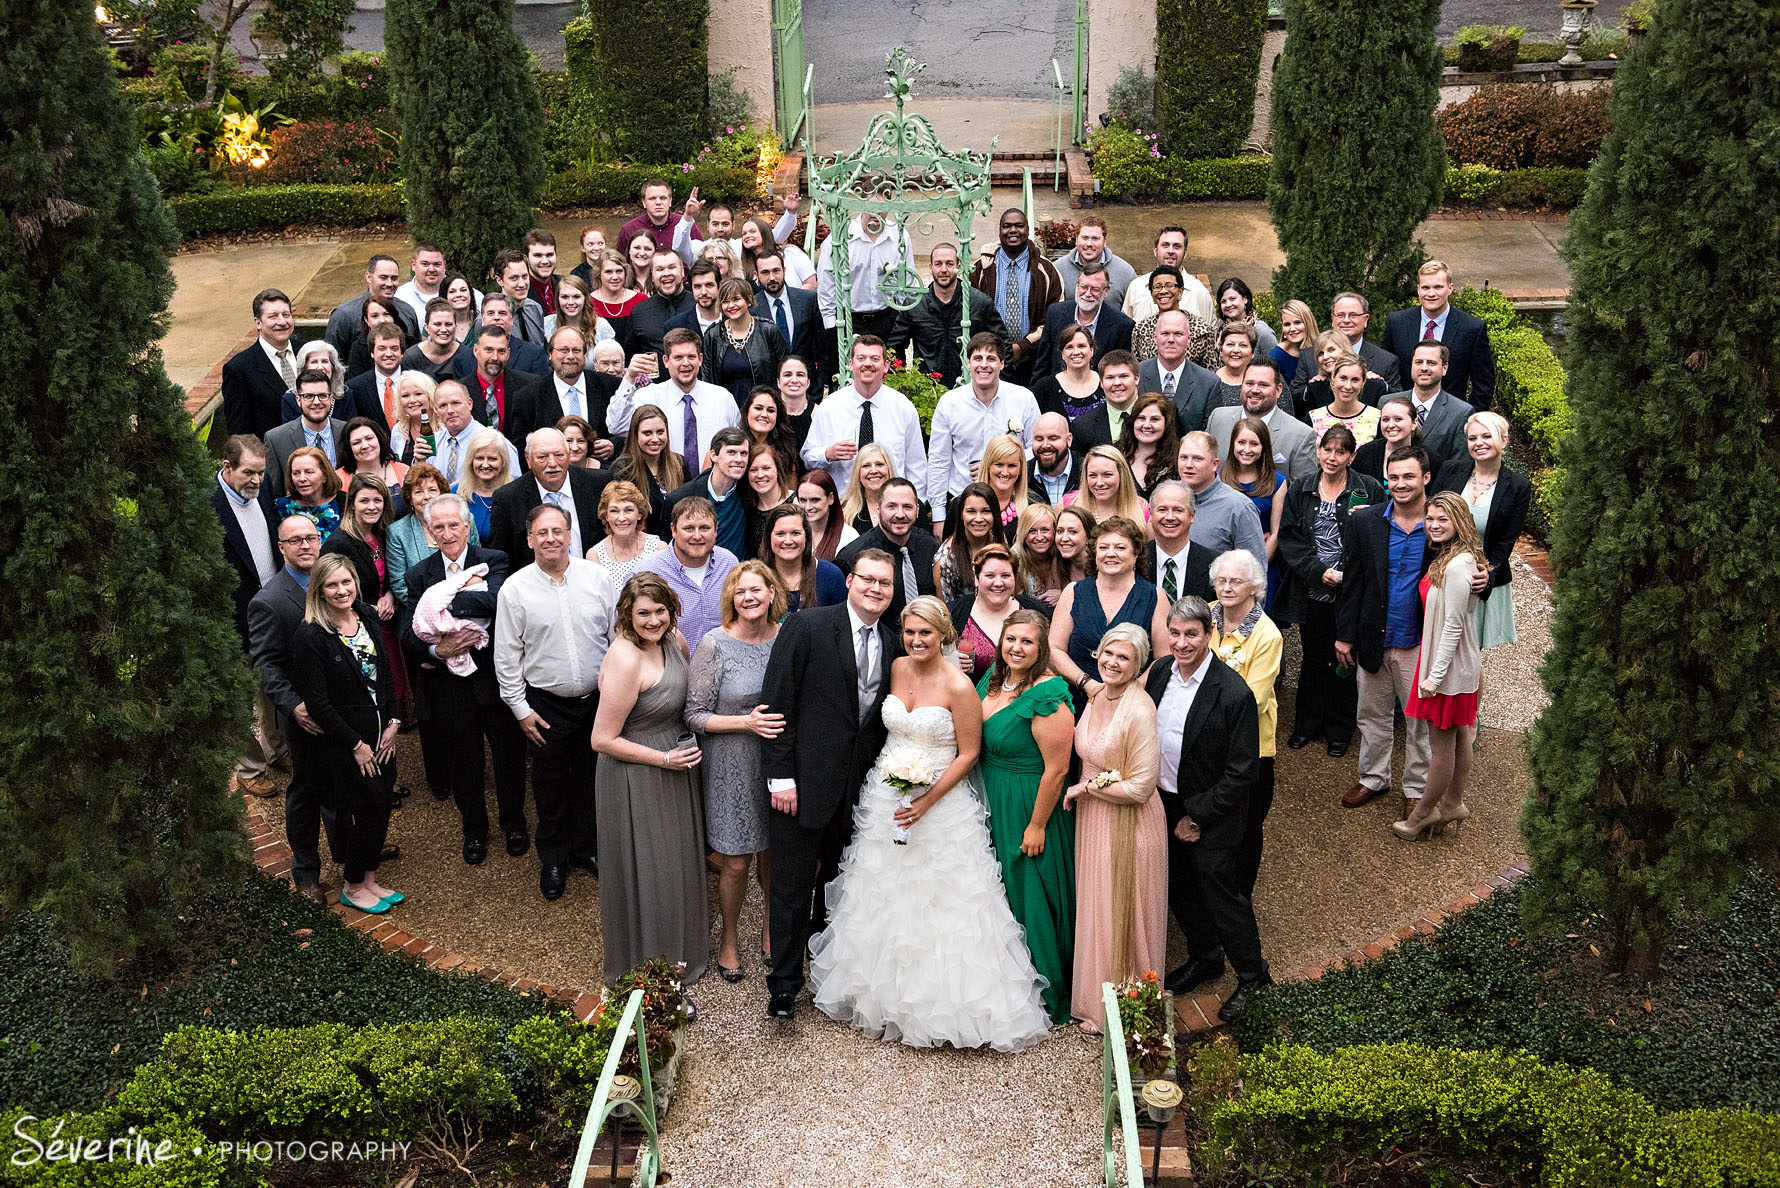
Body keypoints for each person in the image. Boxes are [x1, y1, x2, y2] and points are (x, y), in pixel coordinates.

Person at [807, 595, 1051, 1050]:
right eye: (910, 632)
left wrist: (927, 800)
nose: (916, 640)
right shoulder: (897, 668)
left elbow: (969, 753)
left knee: (942, 896)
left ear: (944, 635)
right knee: (881, 887)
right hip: (886, 794)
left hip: (941, 802)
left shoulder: (959, 686)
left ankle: (944, 1004)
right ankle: (879, 992)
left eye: (926, 633)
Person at [760, 550, 901, 1019]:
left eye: (885, 583)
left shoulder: (894, 642)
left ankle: (825, 973)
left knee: (840, 884)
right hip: (800, 784)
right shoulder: (808, 627)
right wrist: (780, 777)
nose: (876, 589)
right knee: (791, 887)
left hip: (859, 790)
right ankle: (783, 985)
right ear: (850, 580)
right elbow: (776, 706)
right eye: (868, 579)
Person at [1146, 596, 1268, 1020]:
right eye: (1174, 633)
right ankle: (1205, 957)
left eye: (1191, 634)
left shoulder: (1234, 693)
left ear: (1209, 634)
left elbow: (1242, 771)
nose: (1181, 643)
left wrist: (1197, 817)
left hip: (1210, 811)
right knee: (1180, 888)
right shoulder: (1160, 672)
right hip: (1163, 801)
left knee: (1222, 898)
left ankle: (1254, 978)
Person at [591, 572, 710, 988]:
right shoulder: (624, 658)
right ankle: (651, 974)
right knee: (650, 871)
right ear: (627, 613)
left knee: (675, 866)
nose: (654, 620)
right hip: (635, 775)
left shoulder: (674, 642)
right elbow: (601, 739)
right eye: (644, 612)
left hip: (675, 768)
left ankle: (679, 957)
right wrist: (664, 758)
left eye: (660, 610)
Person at [398, 494, 527, 872]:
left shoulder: (494, 559)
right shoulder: (418, 574)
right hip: (449, 685)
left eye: (454, 525)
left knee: (508, 757)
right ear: (428, 533)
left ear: (467, 527)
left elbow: (498, 603)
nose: (447, 532)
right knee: (463, 761)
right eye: (439, 527)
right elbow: (409, 632)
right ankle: (474, 829)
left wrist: (441, 605)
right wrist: (437, 651)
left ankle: (514, 824)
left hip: (494, 678)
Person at [495, 502, 617, 894]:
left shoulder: (597, 578)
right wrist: (520, 710)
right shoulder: (515, 589)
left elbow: (617, 637)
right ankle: (553, 858)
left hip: (597, 701)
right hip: (545, 705)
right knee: (549, 786)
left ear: (569, 535)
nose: (551, 538)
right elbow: (507, 656)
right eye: (541, 533)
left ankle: (586, 848)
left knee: (590, 781)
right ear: (530, 540)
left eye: (557, 531)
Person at [687, 561, 786, 980]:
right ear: (731, 598)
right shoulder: (714, 644)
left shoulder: (786, 637)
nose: (749, 597)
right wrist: (745, 722)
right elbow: (693, 714)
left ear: (770, 593)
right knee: (736, 860)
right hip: (730, 762)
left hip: (778, 759)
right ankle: (729, 938)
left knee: (774, 852)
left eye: (756, 590)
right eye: (740, 591)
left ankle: (768, 927)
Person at [977, 609, 1076, 1025]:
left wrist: (1036, 825)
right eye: (1010, 639)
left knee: (1028, 890)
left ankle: (1043, 988)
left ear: (1041, 648)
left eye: (1026, 642)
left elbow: (1057, 769)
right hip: (990, 794)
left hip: (1027, 802)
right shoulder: (993, 679)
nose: (1016, 648)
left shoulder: (1047, 695)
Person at [1064, 623, 1164, 1032]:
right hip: (1096, 817)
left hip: (1129, 821)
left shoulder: (1140, 709)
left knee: (1122, 908)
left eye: (1124, 658)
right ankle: (1096, 996)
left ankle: (1125, 1006)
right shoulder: (1096, 694)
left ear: (1139, 664)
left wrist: (1085, 788)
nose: (1113, 662)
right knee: (1098, 904)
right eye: (1108, 653)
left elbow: (1141, 786)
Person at [288, 555, 402, 914]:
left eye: (347, 582)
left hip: (383, 734)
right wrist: (356, 746)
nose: (342, 590)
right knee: (366, 810)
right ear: (319, 591)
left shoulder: (367, 615)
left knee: (383, 804)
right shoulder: (310, 636)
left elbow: (386, 673)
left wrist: (395, 722)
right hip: (347, 742)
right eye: (332, 585)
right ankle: (353, 886)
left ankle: (369, 878)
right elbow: (318, 703)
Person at [1336, 446, 1435, 810]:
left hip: (1418, 642)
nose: (1400, 484)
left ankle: (1416, 790)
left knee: (1419, 723)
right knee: (1372, 716)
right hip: (1373, 637)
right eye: (1393, 477)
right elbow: (1353, 584)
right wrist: (1345, 635)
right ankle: (1373, 778)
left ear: (1426, 478)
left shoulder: (1442, 525)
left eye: (1409, 476)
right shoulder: (1365, 522)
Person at [1276, 425, 1382, 757]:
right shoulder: (1302, 488)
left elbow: (1378, 538)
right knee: (1313, 659)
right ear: (1318, 451)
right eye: (1327, 450)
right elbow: (1289, 538)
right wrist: (1318, 571)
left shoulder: (1369, 490)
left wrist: (1349, 576)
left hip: (1351, 594)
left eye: (1340, 452)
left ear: (1352, 455)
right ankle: (1307, 724)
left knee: (1345, 662)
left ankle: (1339, 730)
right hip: (1313, 591)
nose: (1332, 457)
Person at [249, 517, 335, 902]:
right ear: (280, 547)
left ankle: (348, 850)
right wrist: (294, 706)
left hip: (342, 708)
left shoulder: (335, 584)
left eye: (311, 538)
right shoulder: (267, 601)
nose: (305, 545)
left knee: (345, 782)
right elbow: (266, 664)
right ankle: (305, 873)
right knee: (307, 791)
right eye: (295, 540)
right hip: (304, 716)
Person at [1395, 491, 1483, 840]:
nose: (1433, 525)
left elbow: (1453, 625)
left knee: (1441, 747)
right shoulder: (1451, 558)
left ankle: (1419, 817)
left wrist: (1433, 676)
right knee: (1460, 737)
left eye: (1442, 519)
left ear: (1459, 521)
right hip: (1455, 667)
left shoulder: (1459, 565)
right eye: (1430, 518)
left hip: (1446, 670)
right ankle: (1453, 805)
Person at [1207, 549, 1282, 896]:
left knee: (1246, 827)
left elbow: (1255, 699)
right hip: (1207, 743)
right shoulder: (1205, 616)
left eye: (1235, 581)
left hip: (1250, 747)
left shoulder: (1268, 636)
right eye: (1221, 580)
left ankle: (1240, 897)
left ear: (1254, 586)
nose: (1226, 587)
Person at [212, 436, 284, 797]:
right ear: (227, 468)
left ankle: (277, 749)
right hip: (233, 618)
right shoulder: (207, 505)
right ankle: (249, 767)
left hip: (270, 611)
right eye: (248, 473)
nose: (256, 480)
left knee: (272, 684)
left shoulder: (263, 487)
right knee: (240, 696)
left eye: (260, 472)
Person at [1432, 411, 1530, 651]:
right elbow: (1431, 515)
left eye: (1487, 436)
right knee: (1438, 647)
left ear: (1504, 440)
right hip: (1441, 572)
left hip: (1479, 576)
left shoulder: (1518, 486)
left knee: (1469, 654)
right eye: (1472, 438)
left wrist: (1488, 575)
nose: (1479, 443)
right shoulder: (1450, 470)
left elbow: (1506, 542)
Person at [1049, 515, 1167, 706]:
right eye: (1103, 547)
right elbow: (1055, 649)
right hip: (1077, 699)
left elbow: (1164, 657)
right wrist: (1087, 684)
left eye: (1120, 547)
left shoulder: (1155, 597)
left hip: (1131, 703)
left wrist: (1132, 690)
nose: (1110, 553)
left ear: (1136, 553)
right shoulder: (1073, 592)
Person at [926, 333, 1037, 532]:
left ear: (1002, 364)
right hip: (962, 501)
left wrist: (996, 464)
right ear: (968, 363)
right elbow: (938, 461)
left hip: (1011, 503)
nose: (984, 365)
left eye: (991, 359)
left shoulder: (1023, 399)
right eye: (978, 358)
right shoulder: (950, 403)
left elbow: (1035, 448)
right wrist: (939, 515)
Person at [321, 472, 407, 726]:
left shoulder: (383, 533)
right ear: (352, 505)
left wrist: (391, 595)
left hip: (389, 621)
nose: (372, 507)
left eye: (377, 500)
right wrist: (365, 608)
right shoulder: (339, 543)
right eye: (364, 501)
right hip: (359, 624)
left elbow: (392, 573)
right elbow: (331, 590)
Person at [803, 335, 927, 507]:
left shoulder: (903, 409)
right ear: (851, 364)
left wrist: (915, 506)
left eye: (875, 359)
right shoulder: (830, 407)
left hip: (891, 508)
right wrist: (828, 453)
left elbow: (916, 467)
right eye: (861, 358)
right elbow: (808, 458)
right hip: (843, 506)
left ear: (886, 366)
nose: (867, 363)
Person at [607, 327, 740, 480]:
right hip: (666, 488)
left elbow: (736, 444)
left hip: (713, 489)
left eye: (691, 356)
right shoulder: (648, 396)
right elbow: (615, 425)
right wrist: (629, 377)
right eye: (678, 357)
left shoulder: (722, 398)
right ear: (666, 361)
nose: (685, 363)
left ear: (700, 359)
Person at [886, 242, 1007, 389]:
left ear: (959, 267)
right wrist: (903, 384)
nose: (944, 269)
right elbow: (894, 348)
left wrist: (996, 384)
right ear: (930, 268)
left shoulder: (979, 303)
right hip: (928, 392)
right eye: (938, 264)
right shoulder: (914, 304)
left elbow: (1003, 344)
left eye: (949, 264)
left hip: (970, 388)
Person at [488, 427, 610, 571]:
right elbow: (501, 557)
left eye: (559, 455)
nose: (552, 463)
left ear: (569, 454)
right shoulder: (508, 499)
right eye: (542, 457)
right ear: (528, 458)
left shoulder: (598, 484)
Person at [1382, 260, 1496, 412]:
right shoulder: (1397, 323)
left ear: (1450, 288)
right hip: (1403, 417)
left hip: (1450, 421)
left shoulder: (1472, 328)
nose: (1431, 293)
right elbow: (1387, 371)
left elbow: (1484, 384)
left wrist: (1468, 420)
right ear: (1418, 290)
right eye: (1425, 287)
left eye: (1438, 287)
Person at [970, 208, 1066, 382]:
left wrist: (1023, 346)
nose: (1013, 230)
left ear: (1027, 230)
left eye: (1019, 226)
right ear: (999, 231)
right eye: (1006, 226)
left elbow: (1054, 318)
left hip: (1033, 362)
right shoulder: (980, 269)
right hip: (987, 361)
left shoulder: (1047, 271)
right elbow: (969, 312)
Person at [639, 495, 740, 653]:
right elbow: (628, 630)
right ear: (673, 530)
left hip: (726, 670)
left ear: (716, 529)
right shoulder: (648, 572)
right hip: (672, 673)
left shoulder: (729, 564)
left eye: (704, 528)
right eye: (689, 528)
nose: (697, 536)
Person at [816, 212, 914, 370]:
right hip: (850, 319)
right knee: (848, 376)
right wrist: (831, 328)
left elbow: (907, 279)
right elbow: (827, 285)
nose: (876, 213)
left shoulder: (899, 235)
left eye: (880, 208)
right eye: (871, 207)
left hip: (886, 318)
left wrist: (901, 318)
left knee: (893, 375)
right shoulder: (840, 237)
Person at [834, 478, 939, 621]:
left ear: (918, 509)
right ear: (878, 508)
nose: (900, 514)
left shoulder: (929, 546)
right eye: (892, 506)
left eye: (907, 507)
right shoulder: (853, 556)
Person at [387, 463, 481, 609]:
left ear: (442, 493)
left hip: (468, 605)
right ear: (409, 498)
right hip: (420, 610)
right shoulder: (397, 532)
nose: (426, 497)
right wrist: (434, 610)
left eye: (432, 490)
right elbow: (400, 585)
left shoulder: (466, 520)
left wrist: (458, 607)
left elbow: (477, 564)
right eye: (418, 492)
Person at [948, 542, 1042, 677]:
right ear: (976, 578)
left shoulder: (1034, 610)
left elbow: (1048, 660)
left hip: (1026, 695)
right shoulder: (954, 613)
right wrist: (949, 660)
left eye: (1005, 576)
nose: (998, 583)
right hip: (972, 695)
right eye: (990, 576)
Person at [1219, 417, 1286, 608]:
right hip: (1224, 566)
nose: (1246, 449)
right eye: (1241, 442)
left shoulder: (1278, 482)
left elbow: (1275, 533)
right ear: (1232, 444)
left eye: (1254, 444)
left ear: (1263, 447)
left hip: (1262, 565)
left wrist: (1254, 570)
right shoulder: (1219, 478)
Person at [664, 426, 756, 560]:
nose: (739, 459)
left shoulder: (750, 489)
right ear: (714, 456)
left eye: (743, 453)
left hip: (738, 573)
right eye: (731, 452)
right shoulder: (681, 497)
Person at [1178, 431, 1267, 566]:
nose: (1188, 465)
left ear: (1215, 464)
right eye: (1184, 457)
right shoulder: (1167, 498)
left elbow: (1255, 569)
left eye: (1197, 459)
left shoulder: (1239, 507)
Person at [1035, 263, 1135, 377]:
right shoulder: (1056, 313)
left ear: (1106, 291)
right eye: (1083, 287)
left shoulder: (1122, 325)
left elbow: (1120, 371)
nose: (1087, 294)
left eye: (1095, 289)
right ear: (1077, 285)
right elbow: (1043, 362)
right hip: (1058, 390)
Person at [223, 288, 297, 440]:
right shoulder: (239, 368)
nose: (282, 322)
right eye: (273, 316)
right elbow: (240, 432)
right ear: (258, 323)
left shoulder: (310, 351)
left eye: (286, 315)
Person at [1392, 341, 1473, 477]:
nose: (1424, 368)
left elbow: (1459, 467)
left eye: (1431, 363)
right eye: (1418, 362)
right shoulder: (1387, 403)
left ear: (1445, 368)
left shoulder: (1461, 412)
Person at [702, 277, 787, 405]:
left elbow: (783, 371)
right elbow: (707, 380)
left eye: (736, 299)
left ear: (748, 300)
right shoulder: (713, 335)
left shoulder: (768, 330)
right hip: (726, 409)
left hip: (764, 408)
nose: (731, 305)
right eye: (725, 301)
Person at [325, 254, 420, 362]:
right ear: (369, 277)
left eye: (394, 278)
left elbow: (415, 354)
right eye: (383, 277)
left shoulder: (407, 311)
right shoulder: (345, 315)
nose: (389, 283)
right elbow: (333, 360)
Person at [610, 405, 686, 540]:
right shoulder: (623, 469)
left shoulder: (679, 463)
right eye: (647, 433)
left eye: (660, 432)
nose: (655, 439)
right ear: (635, 435)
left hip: (678, 544)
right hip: (641, 545)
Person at [266, 369, 345, 498]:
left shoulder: (347, 431)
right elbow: (275, 492)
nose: (316, 402)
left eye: (322, 396)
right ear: (298, 400)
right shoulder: (276, 439)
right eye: (309, 396)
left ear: (331, 399)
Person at [431, 379, 520, 492]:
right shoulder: (431, 443)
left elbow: (514, 491)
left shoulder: (497, 444)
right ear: (436, 410)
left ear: (469, 404)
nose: (450, 410)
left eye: (456, 403)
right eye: (443, 405)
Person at [761, 504, 846, 613]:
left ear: (807, 536)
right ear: (769, 537)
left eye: (795, 533)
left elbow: (843, 624)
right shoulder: (757, 576)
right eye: (780, 534)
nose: (788, 541)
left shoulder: (831, 575)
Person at [1122, 224, 1216, 323]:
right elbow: (1125, 329)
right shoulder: (1136, 287)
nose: (1171, 251)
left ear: (1185, 253)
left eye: (1177, 246)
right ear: (1155, 251)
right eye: (1165, 245)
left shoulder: (1199, 292)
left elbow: (1210, 333)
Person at [1144, 481, 1218, 605]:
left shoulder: (1214, 564)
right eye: (1162, 509)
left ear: (1192, 515)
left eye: (1178, 510)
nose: (1170, 517)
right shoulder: (1134, 561)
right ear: (1151, 514)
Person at [752, 251, 824, 372]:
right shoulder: (752, 308)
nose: (772, 278)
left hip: (807, 382)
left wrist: (820, 385)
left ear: (784, 270)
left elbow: (822, 348)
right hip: (770, 384)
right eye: (765, 272)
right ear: (756, 275)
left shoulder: (808, 300)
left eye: (776, 271)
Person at [590, 478, 668, 586]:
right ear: (606, 515)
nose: (621, 518)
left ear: (639, 513)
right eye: (614, 511)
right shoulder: (595, 555)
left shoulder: (659, 548)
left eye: (628, 510)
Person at [934, 484, 1005, 603]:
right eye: (971, 511)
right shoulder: (945, 560)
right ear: (961, 514)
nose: (978, 519)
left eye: (986, 511)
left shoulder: (999, 539)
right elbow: (945, 612)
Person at [1052, 215, 1138, 306]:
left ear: (1104, 242)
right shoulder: (1058, 270)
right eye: (1085, 238)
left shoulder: (1125, 272)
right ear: (1076, 240)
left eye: (1095, 239)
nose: (1089, 244)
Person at [1069, 351, 1143, 453]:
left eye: (1123, 376)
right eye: (1110, 377)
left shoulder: (1159, 416)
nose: (1117, 383)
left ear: (1137, 379)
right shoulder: (1082, 427)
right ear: (1101, 383)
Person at [1030, 323, 1105, 424]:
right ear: (1062, 354)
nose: (1076, 352)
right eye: (1069, 347)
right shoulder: (1044, 387)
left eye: (1081, 346)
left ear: (1091, 350)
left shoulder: (1106, 383)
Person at [626, 250, 694, 358]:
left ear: (682, 271)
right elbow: (630, 357)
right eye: (660, 269)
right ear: (652, 276)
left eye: (672, 267)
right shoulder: (639, 312)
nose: (666, 273)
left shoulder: (699, 306)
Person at [1062, 445, 1149, 527]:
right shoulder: (1069, 503)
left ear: (1122, 475)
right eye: (1093, 475)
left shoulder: (1142, 508)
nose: (1099, 483)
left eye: (1107, 475)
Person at [1329, 291, 1401, 391]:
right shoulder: (1310, 357)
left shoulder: (1386, 361)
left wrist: (1380, 385)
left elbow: (1396, 399)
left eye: (1353, 315)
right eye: (1340, 315)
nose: (1346, 320)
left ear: (1365, 320)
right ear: (1333, 319)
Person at [1116, 391, 1181, 501]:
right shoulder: (1117, 455)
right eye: (1141, 418)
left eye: (1155, 419)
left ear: (1166, 423)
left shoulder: (1178, 460)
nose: (1147, 425)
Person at [337, 417, 409, 515]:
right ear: (349, 448)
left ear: (379, 439)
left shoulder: (405, 471)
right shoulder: (338, 479)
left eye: (369, 438)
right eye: (356, 442)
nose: (365, 446)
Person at [1308, 352, 1383, 446]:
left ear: (1363, 382)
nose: (1348, 386)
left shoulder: (1377, 418)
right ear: (1333, 377)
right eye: (1343, 378)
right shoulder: (1314, 418)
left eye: (1355, 380)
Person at [276, 447, 345, 543]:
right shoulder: (281, 507)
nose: (302, 478)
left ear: (324, 476)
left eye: (309, 472)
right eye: (296, 473)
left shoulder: (346, 502)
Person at [455, 428, 512, 541]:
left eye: (492, 459)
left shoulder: (517, 490)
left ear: (503, 461)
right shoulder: (456, 494)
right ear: (471, 461)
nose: (485, 465)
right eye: (479, 458)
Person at [621, 178, 704, 253]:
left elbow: (701, 257)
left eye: (663, 198)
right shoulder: (629, 230)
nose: (658, 202)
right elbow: (620, 264)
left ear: (670, 201)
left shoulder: (686, 225)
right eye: (652, 198)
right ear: (644, 202)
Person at [1355, 394, 1423, 484]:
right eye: (1386, 419)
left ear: (1414, 423)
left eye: (1398, 419)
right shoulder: (1366, 453)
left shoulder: (1428, 458)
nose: (1390, 425)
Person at [394, 242, 464, 328]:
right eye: (425, 264)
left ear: (444, 265)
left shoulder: (466, 296)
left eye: (437, 264)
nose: (431, 269)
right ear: (413, 265)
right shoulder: (399, 296)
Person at [742, 385, 802, 485]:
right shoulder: (734, 446)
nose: (764, 414)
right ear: (747, 411)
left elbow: (791, 494)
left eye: (771, 410)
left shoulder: (786, 450)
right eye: (758, 408)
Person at [404, 298, 474, 384]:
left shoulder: (467, 355)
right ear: (427, 328)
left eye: (448, 324)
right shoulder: (411, 357)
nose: (443, 329)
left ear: (455, 327)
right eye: (437, 324)